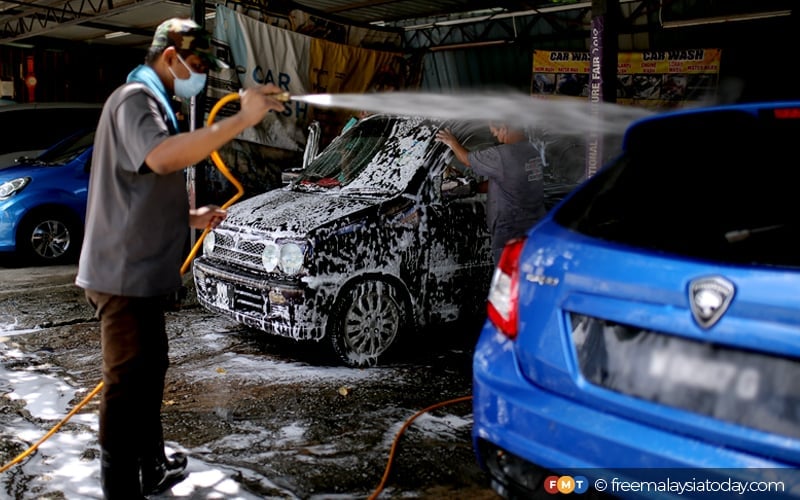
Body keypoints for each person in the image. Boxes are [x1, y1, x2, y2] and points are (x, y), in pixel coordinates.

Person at [74, 18, 286, 499]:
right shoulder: (134, 100)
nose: (200, 76)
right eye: (194, 64)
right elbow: (161, 159)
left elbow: (141, 188)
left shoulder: (153, 102)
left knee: (151, 370)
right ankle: (121, 485)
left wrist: (192, 217)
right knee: (126, 383)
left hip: (143, 272)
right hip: (123, 274)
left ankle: (150, 465)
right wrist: (240, 120)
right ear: (169, 57)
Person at [435, 122, 546, 265]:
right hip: (532, 232)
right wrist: (472, 188)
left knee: (508, 284)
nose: (493, 134)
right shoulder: (531, 152)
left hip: (510, 236)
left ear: (504, 128)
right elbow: (506, 182)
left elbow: (467, 160)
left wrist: (451, 142)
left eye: (494, 130)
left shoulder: (505, 154)